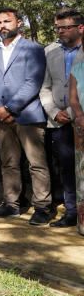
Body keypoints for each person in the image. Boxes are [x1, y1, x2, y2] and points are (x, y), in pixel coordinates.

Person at [0, 7, 51, 226]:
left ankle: (42, 207)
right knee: (8, 163)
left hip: (27, 115)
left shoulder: (34, 49)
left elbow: (33, 81)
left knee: (36, 163)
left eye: (7, 21)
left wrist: (9, 108)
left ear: (19, 23)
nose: (3, 25)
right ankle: (11, 205)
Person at [40, 8, 83, 227]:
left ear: (80, 28)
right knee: (66, 168)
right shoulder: (50, 51)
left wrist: (74, 111)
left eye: (65, 27)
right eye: (58, 28)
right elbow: (44, 86)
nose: (60, 32)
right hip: (59, 120)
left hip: (81, 118)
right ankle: (72, 212)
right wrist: (55, 112)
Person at [67, 55, 84, 235]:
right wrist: (79, 116)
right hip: (82, 127)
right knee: (83, 177)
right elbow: (73, 99)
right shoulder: (77, 69)